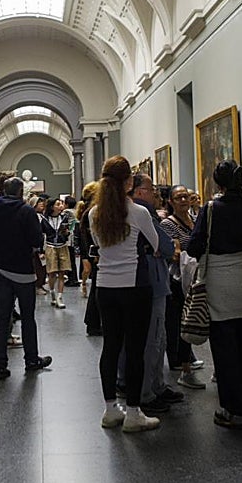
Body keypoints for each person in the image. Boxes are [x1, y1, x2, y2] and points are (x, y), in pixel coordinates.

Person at [186, 161, 242, 429]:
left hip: (220, 282)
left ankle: (234, 409)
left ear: (218, 184)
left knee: (225, 349)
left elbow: (196, 245)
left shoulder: (210, 210)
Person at [90, 157, 161, 433]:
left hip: (105, 287)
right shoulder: (139, 212)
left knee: (110, 347)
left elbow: (98, 245)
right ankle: (133, 412)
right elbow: (155, 245)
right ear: (129, 182)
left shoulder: (94, 213)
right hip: (134, 287)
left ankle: (110, 410)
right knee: (134, 349)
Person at [0, 176, 52, 380]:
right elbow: (37, 239)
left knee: (2, 319)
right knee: (28, 318)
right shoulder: (26, 211)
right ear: (21, 192)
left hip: (1, 271)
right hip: (23, 271)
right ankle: (31, 359)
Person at [126, 173, 181, 416]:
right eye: (150, 189)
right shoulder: (143, 212)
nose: (156, 193)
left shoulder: (139, 211)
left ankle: (157, 385)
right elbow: (167, 247)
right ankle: (147, 392)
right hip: (152, 281)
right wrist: (166, 248)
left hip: (152, 280)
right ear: (138, 192)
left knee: (158, 337)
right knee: (152, 339)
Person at [160, 184, 205, 389]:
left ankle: (187, 356)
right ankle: (179, 360)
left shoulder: (195, 220)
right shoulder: (168, 224)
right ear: (170, 201)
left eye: (186, 196)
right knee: (177, 318)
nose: (184, 201)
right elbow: (176, 251)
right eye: (179, 197)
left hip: (194, 275)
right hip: (177, 278)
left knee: (191, 316)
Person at [77, 182, 101, 332]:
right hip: (94, 255)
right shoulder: (90, 212)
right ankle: (93, 323)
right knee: (97, 289)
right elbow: (85, 237)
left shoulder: (89, 211)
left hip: (93, 254)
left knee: (96, 289)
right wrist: (87, 257)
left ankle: (93, 322)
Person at [40, 197, 72, 309]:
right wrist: (41, 250)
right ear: (52, 206)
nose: (61, 206)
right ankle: (53, 293)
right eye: (58, 204)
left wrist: (67, 233)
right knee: (52, 272)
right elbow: (41, 235)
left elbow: (68, 232)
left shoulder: (64, 218)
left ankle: (60, 297)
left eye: (61, 204)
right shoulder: (44, 219)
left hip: (62, 246)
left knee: (62, 272)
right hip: (50, 247)